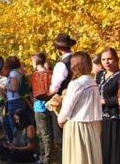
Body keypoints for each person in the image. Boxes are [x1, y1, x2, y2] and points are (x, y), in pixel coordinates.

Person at [58, 51, 102, 164]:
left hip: (77, 126)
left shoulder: (76, 84)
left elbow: (68, 107)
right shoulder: (92, 81)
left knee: (77, 158)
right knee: (90, 157)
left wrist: (60, 119)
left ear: (74, 66)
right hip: (92, 125)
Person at [47, 33, 76, 163]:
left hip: (61, 102)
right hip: (76, 100)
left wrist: (46, 94)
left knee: (61, 138)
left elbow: (54, 87)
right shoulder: (77, 60)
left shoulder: (61, 64)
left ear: (58, 49)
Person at [95, 48, 120, 164]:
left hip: (116, 119)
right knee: (103, 153)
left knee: (116, 154)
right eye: (103, 59)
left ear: (116, 60)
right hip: (100, 118)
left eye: (109, 59)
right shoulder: (99, 75)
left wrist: (105, 101)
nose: (106, 62)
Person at [31, 53, 53, 164]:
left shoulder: (40, 75)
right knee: (41, 133)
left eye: (32, 62)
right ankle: (43, 156)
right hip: (39, 107)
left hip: (42, 108)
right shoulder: (49, 73)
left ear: (36, 62)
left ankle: (46, 159)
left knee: (45, 135)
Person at [2, 56, 26, 142]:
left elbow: (14, 88)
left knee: (14, 124)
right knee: (19, 123)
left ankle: (15, 144)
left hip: (14, 101)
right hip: (20, 100)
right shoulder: (20, 72)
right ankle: (19, 142)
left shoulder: (13, 74)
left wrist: (5, 86)